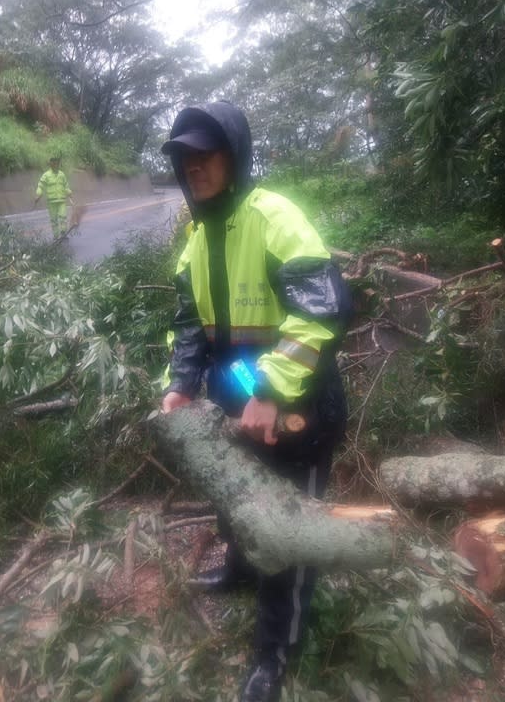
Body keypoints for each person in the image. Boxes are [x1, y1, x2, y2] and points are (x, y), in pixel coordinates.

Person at [160, 101, 352, 702]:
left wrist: (271, 391)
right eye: (184, 158)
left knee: (290, 532)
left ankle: (275, 651)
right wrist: (181, 383)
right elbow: (189, 321)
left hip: (300, 404)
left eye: (205, 154)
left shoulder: (275, 218)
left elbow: (320, 310)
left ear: (234, 155)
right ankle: (240, 568)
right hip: (233, 402)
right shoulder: (195, 237)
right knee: (237, 495)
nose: (194, 166)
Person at [33, 156, 74, 239]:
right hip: (51, 202)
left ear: (58, 164)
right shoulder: (46, 175)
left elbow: (66, 186)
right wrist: (38, 194)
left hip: (62, 201)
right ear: (50, 164)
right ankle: (56, 236)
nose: (55, 164)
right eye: (53, 162)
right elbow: (40, 186)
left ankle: (63, 232)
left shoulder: (62, 174)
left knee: (63, 217)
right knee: (54, 219)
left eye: (56, 163)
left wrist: (69, 193)